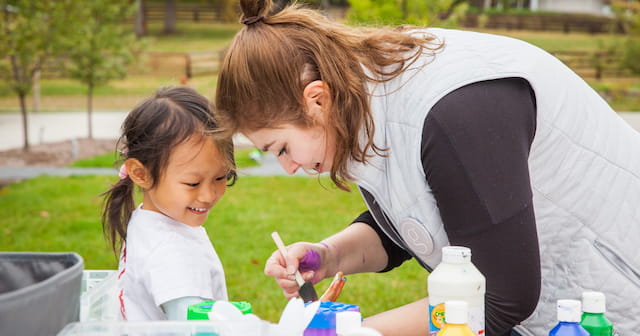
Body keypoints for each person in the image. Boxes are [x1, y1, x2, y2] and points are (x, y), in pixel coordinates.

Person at [214, 1, 640, 335]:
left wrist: (359, 332)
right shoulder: (367, 96)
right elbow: (423, 217)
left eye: (282, 147)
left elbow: (499, 296)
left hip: (617, 303)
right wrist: (330, 255)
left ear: (317, 99)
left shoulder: (456, 110)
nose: (288, 168)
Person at [101, 86, 237, 321]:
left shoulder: (147, 221)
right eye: (192, 183)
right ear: (141, 174)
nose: (208, 195)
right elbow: (193, 328)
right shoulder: (174, 254)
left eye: (220, 177)